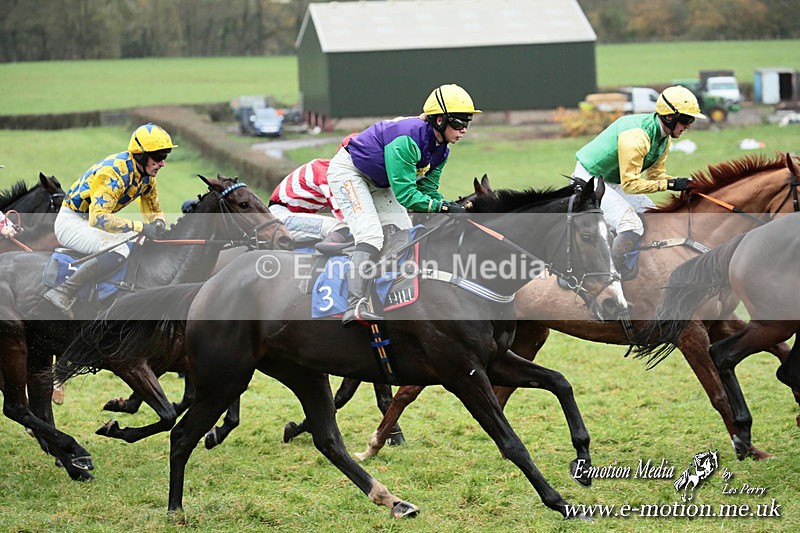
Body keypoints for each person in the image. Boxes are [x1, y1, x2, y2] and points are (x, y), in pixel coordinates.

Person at [327, 83, 480, 326]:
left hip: (379, 183)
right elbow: (408, 195)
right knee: (371, 236)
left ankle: (383, 291)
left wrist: (449, 205)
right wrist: (442, 208)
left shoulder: (442, 151)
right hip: (350, 174)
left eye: (467, 124)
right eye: (459, 123)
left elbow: (428, 190)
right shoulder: (407, 138)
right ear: (440, 120)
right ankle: (354, 304)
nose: (464, 130)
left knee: (403, 234)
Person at [43, 123, 177, 317]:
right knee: (119, 248)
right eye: (158, 157)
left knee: (139, 240)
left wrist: (159, 224)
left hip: (90, 220)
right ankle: (62, 291)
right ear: (140, 155)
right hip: (71, 221)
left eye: (165, 157)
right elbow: (98, 218)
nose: (162, 163)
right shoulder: (114, 173)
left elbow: (153, 209)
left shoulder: (146, 177)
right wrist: (140, 226)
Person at [572, 85, 706, 273]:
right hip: (589, 181)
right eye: (685, 120)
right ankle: (609, 276)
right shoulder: (637, 137)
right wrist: (671, 184)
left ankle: (642, 269)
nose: (689, 125)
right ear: (669, 117)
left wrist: (684, 182)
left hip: (613, 182)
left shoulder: (664, 138)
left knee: (655, 218)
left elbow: (656, 176)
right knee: (631, 225)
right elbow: (631, 185)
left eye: (690, 120)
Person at [268, 157, 348, 244]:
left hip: (286, 215)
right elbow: (341, 212)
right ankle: (318, 257)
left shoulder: (332, 168)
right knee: (340, 227)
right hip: (281, 217)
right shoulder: (328, 172)